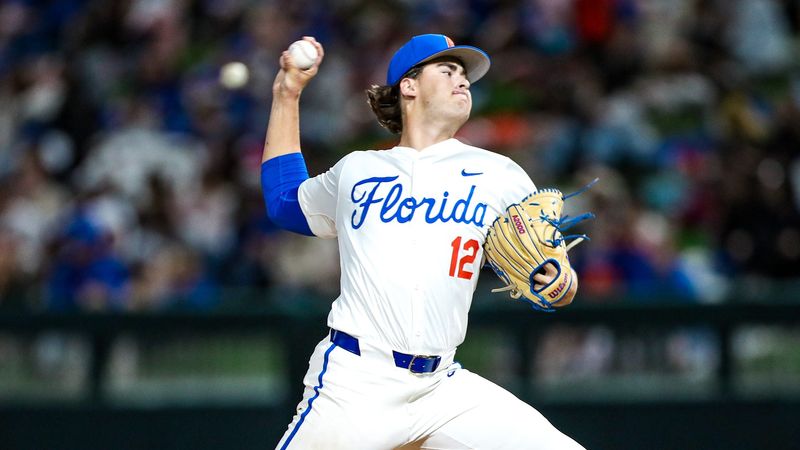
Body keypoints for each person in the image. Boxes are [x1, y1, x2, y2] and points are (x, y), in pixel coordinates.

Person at [262, 34, 585, 450]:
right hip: (358, 382)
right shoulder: (358, 171)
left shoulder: (500, 174)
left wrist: (560, 282)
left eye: (465, 75)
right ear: (408, 86)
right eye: (447, 71)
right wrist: (287, 95)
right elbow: (285, 202)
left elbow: (553, 270)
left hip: (443, 388)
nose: (463, 81)